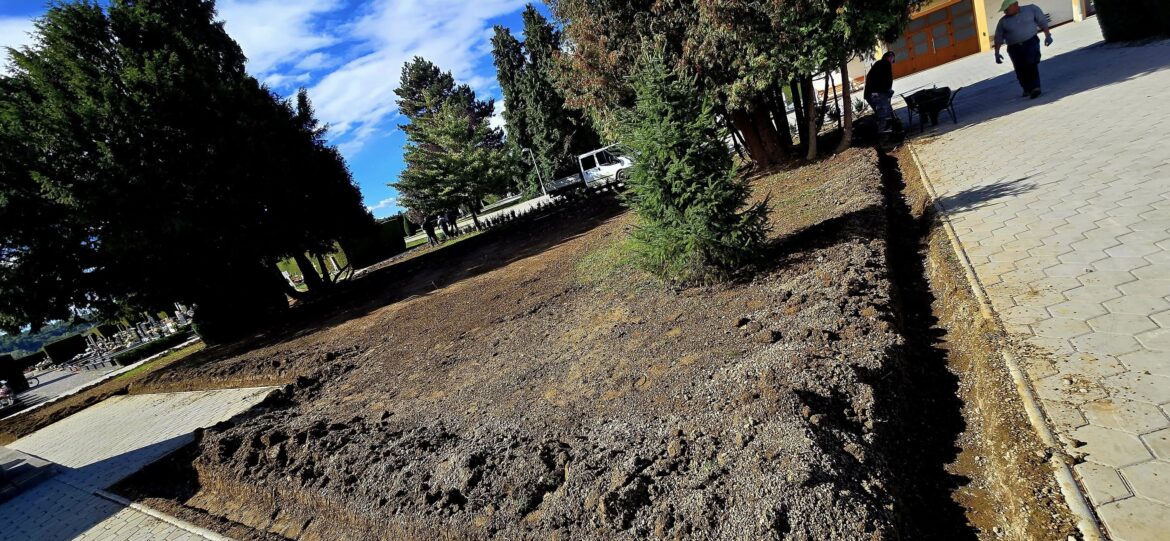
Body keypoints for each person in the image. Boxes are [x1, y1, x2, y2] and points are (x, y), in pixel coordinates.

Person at [994, 1, 1053, 99]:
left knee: (1031, 64)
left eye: (1006, 9)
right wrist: (997, 53)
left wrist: (1048, 36)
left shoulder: (1031, 9)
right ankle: (1026, 88)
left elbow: (1042, 21)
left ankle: (1035, 88)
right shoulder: (1003, 22)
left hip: (1031, 42)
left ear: (1015, 5)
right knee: (1020, 69)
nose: (1004, 12)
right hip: (1014, 48)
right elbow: (998, 38)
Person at [864, 52, 896, 133]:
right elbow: (888, 79)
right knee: (884, 116)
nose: (892, 62)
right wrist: (888, 90)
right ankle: (884, 138)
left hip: (870, 94)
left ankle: (887, 135)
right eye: (893, 60)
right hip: (877, 94)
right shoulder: (885, 63)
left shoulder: (878, 64)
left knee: (883, 115)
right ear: (890, 57)